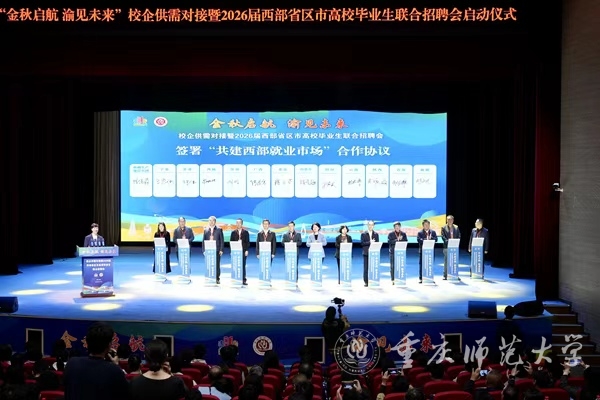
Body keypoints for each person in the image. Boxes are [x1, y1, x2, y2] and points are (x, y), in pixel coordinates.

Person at [63, 322, 129, 400]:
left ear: (87, 342)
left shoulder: (72, 364)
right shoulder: (115, 371)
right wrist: (116, 365)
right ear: (109, 345)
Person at [203, 216, 225, 284]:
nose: (211, 222)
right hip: (208, 250)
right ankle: (209, 277)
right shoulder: (206, 230)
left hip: (217, 250)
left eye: (213, 220)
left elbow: (222, 240)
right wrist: (204, 250)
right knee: (209, 264)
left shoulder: (219, 229)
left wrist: (221, 249)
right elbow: (203, 241)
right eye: (210, 220)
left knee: (217, 265)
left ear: (215, 222)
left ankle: (217, 278)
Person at [230, 218, 250, 285]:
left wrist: (247, 250)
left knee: (243, 265)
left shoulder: (246, 232)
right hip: (235, 251)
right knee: (235, 265)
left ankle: (243, 280)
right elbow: (231, 242)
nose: (238, 224)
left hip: (243, 251)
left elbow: (247, 242)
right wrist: (231, 251)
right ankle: (235, 278)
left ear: (242, 224)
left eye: (239, 223)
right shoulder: (233, 232)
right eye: (237, 223)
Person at [417, 219, 438, 284]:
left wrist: (431, 239)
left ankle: (430, 278)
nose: (427, 226)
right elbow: (418, 240)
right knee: (422, 265)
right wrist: (426, 240)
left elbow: (436, 239)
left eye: (428, 224)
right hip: (422, 251)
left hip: (430, 251)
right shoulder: (420, 232)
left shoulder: (433, 232)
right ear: (423, 225)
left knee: (430, 264)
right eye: (425, 225)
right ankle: (421, 278)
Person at [441, 215, 461, 280]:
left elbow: (459, 235)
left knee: (454, 261)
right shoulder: (443, 227)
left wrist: (456, 242)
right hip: (446, 247)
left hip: (454, 247)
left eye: (451, 219)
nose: (449, 221)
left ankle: (455, 275)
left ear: (453, 220)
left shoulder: (456, 227)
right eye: (448, 219)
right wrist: (449, 242)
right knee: (446, 261)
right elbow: (443, 236)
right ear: (446, 220)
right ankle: (445, 275)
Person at [360, 221, 379, 287]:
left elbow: (377, 243)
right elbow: (362, 243)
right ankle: (366, 282)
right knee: (366, 268)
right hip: (366, 253)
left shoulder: (376, 234)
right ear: (367, 225)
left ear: (374, 226)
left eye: (372, 225)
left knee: (373, 268)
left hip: (374, 253)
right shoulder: (363, 234)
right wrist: (369, 242)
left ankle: (373, 281)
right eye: (369, 225)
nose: (370, 226)